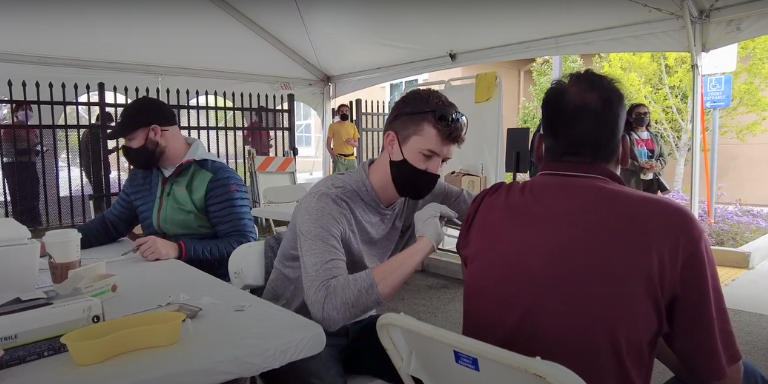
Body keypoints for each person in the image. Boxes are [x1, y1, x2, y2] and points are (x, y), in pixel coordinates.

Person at [457, 70, 766, 384]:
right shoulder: (672, 227)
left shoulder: (487, 205)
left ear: (538, 148)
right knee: (749, 376)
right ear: (624, 151)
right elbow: (725, 377)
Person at [260, 89, 475, 384]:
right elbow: (328, 307)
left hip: (358, 324)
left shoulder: (423, 190)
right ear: (391, 143)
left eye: (444, 160)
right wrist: (425, 244)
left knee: (435, 367)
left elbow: (482, 208)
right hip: (294, 328)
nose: (434, 171)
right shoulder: (328, 202)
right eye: (427, 155)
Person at [40, 97, 257, 281]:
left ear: (155, 132)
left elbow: (242, 243)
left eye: (130, 139)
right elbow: (110, 225)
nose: (126, 148)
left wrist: (178, 249)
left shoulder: (216, 177)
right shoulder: (142, 177)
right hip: (160, 277)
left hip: (212, 285)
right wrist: (53, 244)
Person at [1, 103, 42, 227]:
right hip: (15, 167)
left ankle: (35, 226)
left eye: (29, 109)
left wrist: (38, 149)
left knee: (34, 196)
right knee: (20, 199)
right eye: (23, 109)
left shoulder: (32, 130)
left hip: (30, 165)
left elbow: (37, 146)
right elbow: (7, 152)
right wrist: (29, 150)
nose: (27, 111)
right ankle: (22, 227)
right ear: (15, 113)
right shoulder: (8, 129)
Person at [620, 103, 670, 194]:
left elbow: (663, 157)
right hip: (632, 182)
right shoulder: (625, 137)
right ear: (630, 117)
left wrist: (657, 165)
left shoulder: (655, 137)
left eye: (646, 114)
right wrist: (641, 168)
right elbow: (622, 158)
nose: (642, 117)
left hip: (652, 182)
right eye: (638, 114)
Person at [79, 112, 119, 216]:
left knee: (99, 193)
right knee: (100, 195)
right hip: (96, 169)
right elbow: (97, 153)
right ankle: (101, 217)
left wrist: (110, 151)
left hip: (90, 167)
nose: (108, 128)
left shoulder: (87, 131)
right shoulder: (95, 133)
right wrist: (108, 152)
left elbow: (95, 151)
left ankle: (100, 216)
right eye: (108, 124)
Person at [326, 103, 360, 173]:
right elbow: (328, 144)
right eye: (342, 111)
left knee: (353, 180)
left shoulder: (353, 126)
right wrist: (333, 156)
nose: (344, 113)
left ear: (349, 112)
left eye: (346, 111)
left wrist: (352, 143)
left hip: (352, 159)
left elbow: (356, 145)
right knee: (338, 181)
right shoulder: (333, 126)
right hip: (339, 159)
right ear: (338, 113)